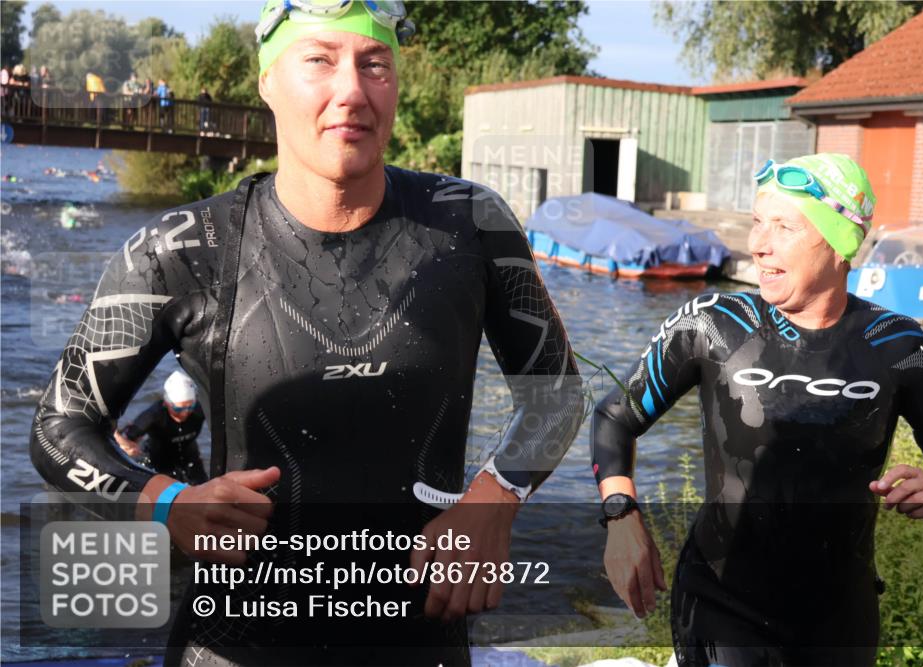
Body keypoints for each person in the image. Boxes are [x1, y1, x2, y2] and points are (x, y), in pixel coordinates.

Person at [30, 1, 583, 666]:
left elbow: (555, 392)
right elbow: (59, 426)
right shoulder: (181, 250)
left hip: (418, 642)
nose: (351, 89)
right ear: (267, 81)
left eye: (374, 64)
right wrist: (162, 501)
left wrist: (495, 499)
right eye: (318, 60)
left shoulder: (471, 225)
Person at [591, 153, 923, 666]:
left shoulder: (898, 346)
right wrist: (620, 514)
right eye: (758, 222)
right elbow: (613, 417)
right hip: (721, 605)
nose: (759, 244)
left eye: (784, 226)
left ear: (839, 245)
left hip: (839, 618)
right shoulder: (714, 323)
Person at [114, 371, 209, 485]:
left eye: (190, 407)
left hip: (190, 456)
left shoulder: (199, 410)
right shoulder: (154, 415)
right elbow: (123, 437)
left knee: (204, 489)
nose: (185, 413)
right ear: (167, 403)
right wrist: (127, 447)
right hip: (159, 460)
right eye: (179, 409)